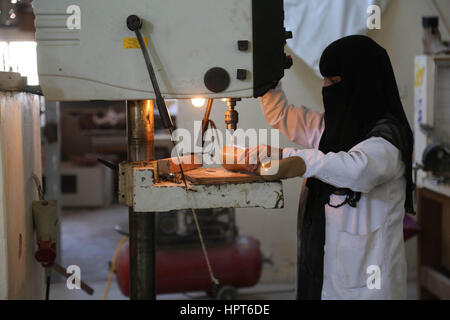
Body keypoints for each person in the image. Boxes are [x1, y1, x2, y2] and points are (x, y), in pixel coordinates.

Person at [250, 35, 414, 300]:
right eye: (325, 80)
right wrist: (267, 76)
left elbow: (356, 170)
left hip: (368, 289)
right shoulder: (333, 129)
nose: (326, 87)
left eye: (334, 82)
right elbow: (282, 115)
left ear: (362, 83)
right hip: (322, 274)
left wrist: (298, 160)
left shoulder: (388, 138)